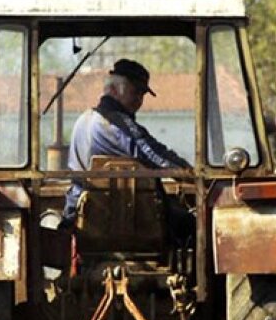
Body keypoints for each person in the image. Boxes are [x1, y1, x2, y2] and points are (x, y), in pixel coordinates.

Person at [62, 59, 192, 231]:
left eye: (142, 95)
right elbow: (155, 155)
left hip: (79, 210)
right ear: (114, 90)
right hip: (112, 212)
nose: (139, 100)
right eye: (135, 92)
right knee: (192, 225)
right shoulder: (115, 123)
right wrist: (192, 175)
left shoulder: (84, 119)